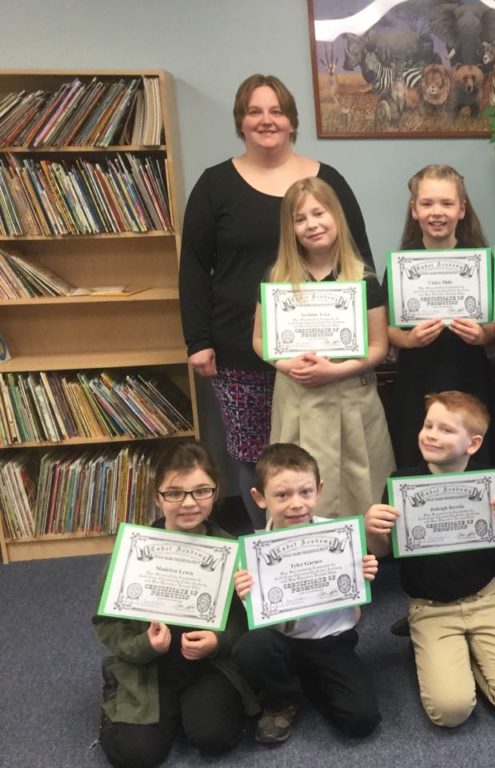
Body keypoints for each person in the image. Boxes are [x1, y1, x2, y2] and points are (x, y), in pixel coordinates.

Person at [179, 73, 373, 529]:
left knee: (317, 453)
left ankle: (324, 551)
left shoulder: (327, 180)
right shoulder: (214, 185)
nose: (266, 120)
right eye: (254, 112)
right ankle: (272, 549)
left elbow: (358, 257)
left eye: (276, 111)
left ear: (291, 120)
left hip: (321, 351)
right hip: (241, 347)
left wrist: (360, 338)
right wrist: (198, 340)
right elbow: (193, 265)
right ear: (241, 121)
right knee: (256, 455)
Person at [364, 391, 495, 728]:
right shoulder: (401, 483)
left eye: (445, 429)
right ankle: (428, 642)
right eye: (428, 425)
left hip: (484, 598)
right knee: (451, 711)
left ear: (473, 444)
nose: (431, 435)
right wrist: (371, 529)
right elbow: (382, 551)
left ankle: (457, 656)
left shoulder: (488, 482)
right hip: (430, 606)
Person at [93, 442, 259, 768]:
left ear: (215, 493)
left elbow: (246, 619)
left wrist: (218, 641)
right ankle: (118, 684)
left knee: (215, 738)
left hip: (208, 666)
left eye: (201, 491)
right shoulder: (133, 549)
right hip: (148, 666)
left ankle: (188, 710)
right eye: (174, 493)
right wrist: (144, 645)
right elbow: (106, 621)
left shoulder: (231, 550)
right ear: (158, 497)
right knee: (136, 756)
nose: (188, 503)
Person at [252, 177, 394, 521]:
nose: (312, 225)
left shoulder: (362, 279)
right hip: (297, 398)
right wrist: (284, 364)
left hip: (350, 396)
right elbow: (258, 340)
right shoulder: (277, 279)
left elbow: (379, 345)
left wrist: (336, 370)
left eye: (319, 213)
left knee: (359, 482)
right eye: (300, 219)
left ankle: (360, 547)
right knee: (294, 483)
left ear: (336, 216)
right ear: (290, 229)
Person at [232, 443, 381, 744]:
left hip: (330, 639)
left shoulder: (339, 535)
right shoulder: (251, 551)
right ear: (259, 498)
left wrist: (362, 571)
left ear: (319, 490)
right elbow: (257, 614)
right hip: (281, 641)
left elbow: (352, 590)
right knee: (250, 648)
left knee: (361, 721)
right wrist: (245, 593)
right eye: (282, 495)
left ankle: (311, 681)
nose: (297, 504)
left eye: (305, 492)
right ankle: (282, 700)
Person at [386, 164, 495, 467]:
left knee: (474, 455)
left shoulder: (481, 260)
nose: (437, 212)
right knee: (418, 455)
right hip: (417, 378)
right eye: (427, 203)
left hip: (469, 373)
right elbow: (385, 328)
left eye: (447, 203)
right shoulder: (401, 263)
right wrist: (408, 339)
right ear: (414, 209)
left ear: (462, 209)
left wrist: (483, 335)